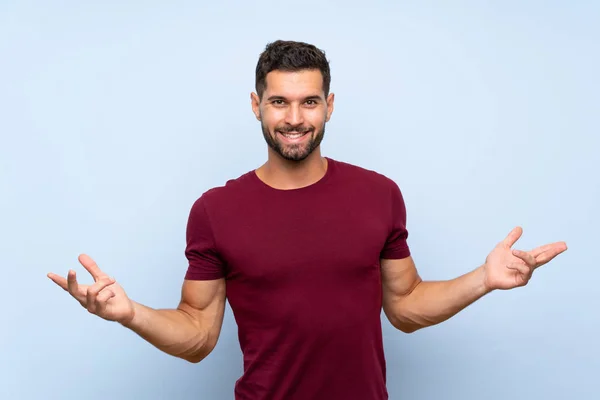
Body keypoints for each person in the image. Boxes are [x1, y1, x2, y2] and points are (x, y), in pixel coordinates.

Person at [47, 40, 568, 400]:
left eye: (308, 102)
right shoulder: (215, 210)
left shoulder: (379, 194)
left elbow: (406, 305)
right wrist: (130, 313)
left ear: (329, 105)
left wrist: (484, 279)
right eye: (279, 102)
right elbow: (198, 335)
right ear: (256, 105)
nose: (294, 118)